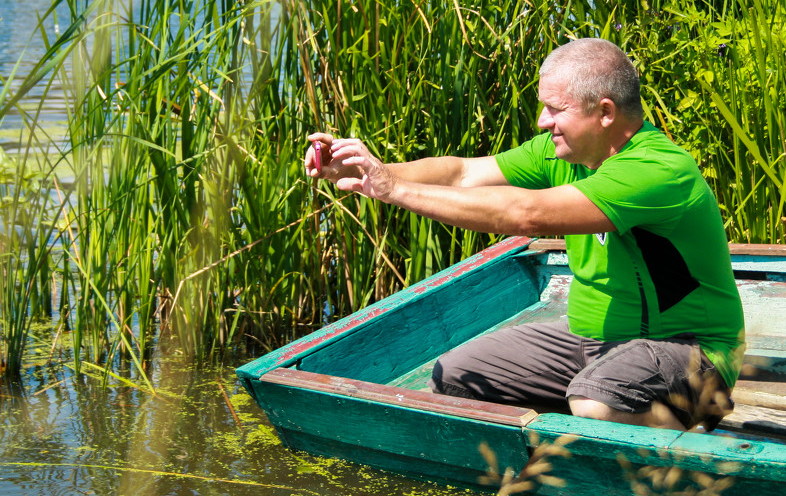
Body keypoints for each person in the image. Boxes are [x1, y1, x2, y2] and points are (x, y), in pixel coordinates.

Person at [304, 38, 744, 430]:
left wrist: (396, 192)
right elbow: (461, 173)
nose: (541, 121)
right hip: (593, 343)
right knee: (453, 376)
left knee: (597, 402)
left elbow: (525, 214)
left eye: (555, 109)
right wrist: (371, 171)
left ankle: (694, 417)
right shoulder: (565, 154)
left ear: (605, 112)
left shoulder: (656, 170)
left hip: (690, 351)